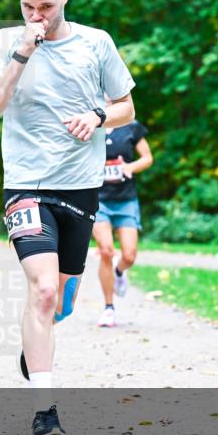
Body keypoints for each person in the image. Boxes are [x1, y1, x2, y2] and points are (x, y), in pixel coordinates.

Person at [0, 0, 135, 435]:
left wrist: (96, 116)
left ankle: (35, 345)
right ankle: (45, 413)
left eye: (46, 5)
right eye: (28, 6)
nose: (37, 16)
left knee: (61, 297)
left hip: (81, 185)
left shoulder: (97, 43)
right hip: (25, 183)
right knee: (43, 290)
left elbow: (127, 107)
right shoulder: (6, 42)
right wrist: (23, 51)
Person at [94, 121, 153, 327]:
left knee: (129, 255)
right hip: (97, 199)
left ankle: (119, 271)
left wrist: (129, 167)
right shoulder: (90, 124)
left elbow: (147, 158)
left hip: (125, 200)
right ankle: (109, 308)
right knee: (106, 251)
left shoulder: (131, 127)